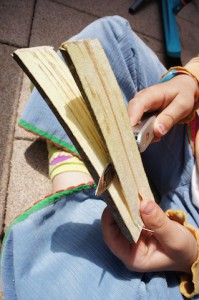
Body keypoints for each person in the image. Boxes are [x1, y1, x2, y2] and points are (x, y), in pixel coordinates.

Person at [1, 16, 199, 300]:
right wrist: (190, 81)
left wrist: (190, 257)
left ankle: (71, 164)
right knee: (109, 37)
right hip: (189, 142)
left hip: (189, 240)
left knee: (74, 286)